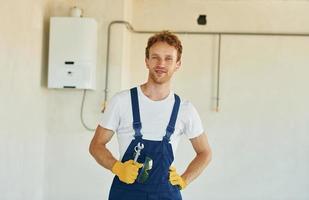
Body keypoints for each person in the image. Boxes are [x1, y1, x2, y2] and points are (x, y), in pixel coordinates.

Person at [89, 31, 212, 200]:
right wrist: (117, 167)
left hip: (166, 194)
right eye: (155, 57)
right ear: (147, 61)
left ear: (178, 64)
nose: (161, 63)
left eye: (168, 58)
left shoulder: (185, 109)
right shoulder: (121, 101)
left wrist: (184, 180)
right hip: (126, 194)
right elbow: (96, 145)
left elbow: (205, 153)